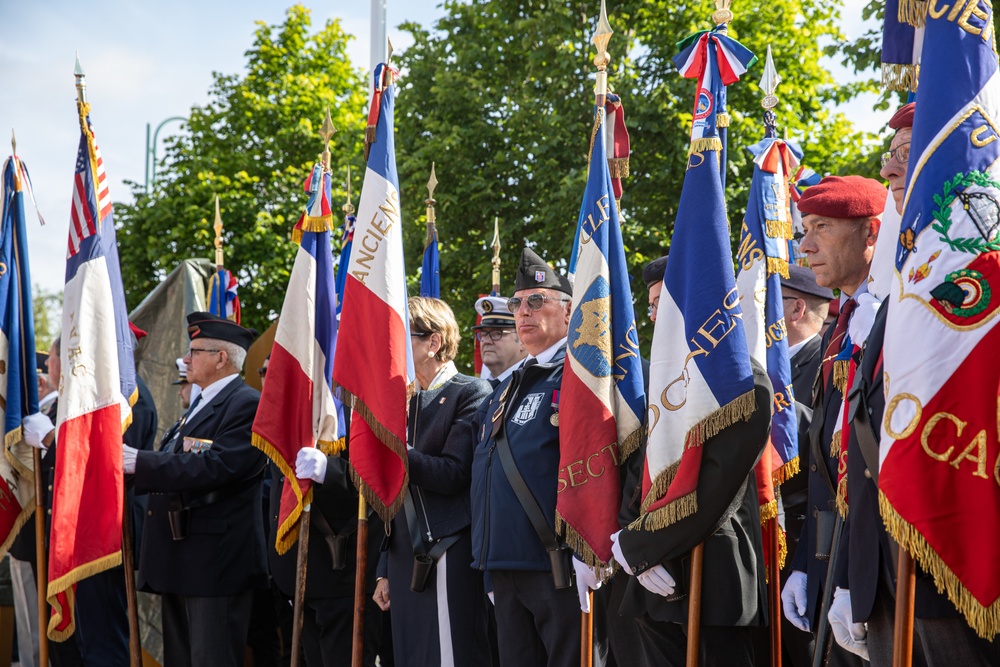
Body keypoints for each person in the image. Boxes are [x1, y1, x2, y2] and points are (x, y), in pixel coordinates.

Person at [829, 102, 1000, 666]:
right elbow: (864, 441)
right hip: (887, 573)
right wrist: (850, 577)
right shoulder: (901, 298)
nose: (891, 171)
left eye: (909, 156)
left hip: (964, 560)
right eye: (891, 156)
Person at [779, 174, 887, 667]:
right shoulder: (841, 329)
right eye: (804, 228)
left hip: (879, 570)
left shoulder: (896, 315)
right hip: (832, 564)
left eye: (822, 226)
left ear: (872, 233)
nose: (805, 245)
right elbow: (828, 467)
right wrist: (808, 565)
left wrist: (854, 573)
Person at [126, 312, 267, 667]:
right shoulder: (200, 405)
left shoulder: (245, 404)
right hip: (181, 559)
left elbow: (217, 466)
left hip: (214, 563)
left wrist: (140, 461)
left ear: (221, 358)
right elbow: (179, 461)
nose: (185, 359)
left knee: (211, 658)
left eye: (194, 351)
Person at [470, 247, 581, 667]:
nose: (523, 311)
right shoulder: (505, 387)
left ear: (569, 312)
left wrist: (588, 553)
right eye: (518, 303)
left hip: (558, 563)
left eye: (537, 301)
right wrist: (488, 561)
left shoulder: (581, 374)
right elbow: (485, 473)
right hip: (505, 563)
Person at [372, 297, 492, 665]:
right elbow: (390, 494)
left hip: (445, 552)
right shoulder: (400, 401)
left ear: (433, 342)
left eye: (399, 337)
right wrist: (382, 570)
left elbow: (452, 474)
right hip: (402, 556)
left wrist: (394, 446)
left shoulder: (469, 392)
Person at [777, 265, 832, 667]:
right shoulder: (756, 365)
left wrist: (773, 405)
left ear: (796, 310)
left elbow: (829, 444)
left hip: (807, 534)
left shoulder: (832, 356)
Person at [473, 295, 527, 386]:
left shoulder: (530, 384)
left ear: (522, 340)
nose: (486, 341)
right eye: (483, 334)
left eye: (497, 333)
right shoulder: (481, 388)